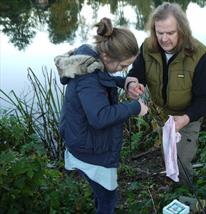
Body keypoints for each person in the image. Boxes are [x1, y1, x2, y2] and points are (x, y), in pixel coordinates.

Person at [55, 17, 148, 214]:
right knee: (108, 198)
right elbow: (99, 117)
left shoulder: (91, 61)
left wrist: (125, 83)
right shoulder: (87, 77)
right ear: (106, 56)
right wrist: (134, 108)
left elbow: (103, 77)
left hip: (85, 140)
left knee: (102, 194)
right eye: (123, 66)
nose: (124, 70)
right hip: (90, 150)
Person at [125, 2, 206, 184]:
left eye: (170, 33)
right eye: (159, 33)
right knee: (168, 154)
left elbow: (205, 99)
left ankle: (186, 195)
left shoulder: (198, 55)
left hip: (188, 115)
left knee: (181, 161)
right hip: (162, 114)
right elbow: (136, 74)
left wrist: (185, 118)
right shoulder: (147, 47)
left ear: (181, 30)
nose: (164, 39)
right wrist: (132, 84)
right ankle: (173, 188)